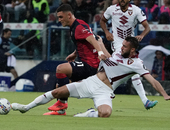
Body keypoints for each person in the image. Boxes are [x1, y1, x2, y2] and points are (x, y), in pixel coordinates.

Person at [11, 36, 170, 117]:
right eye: (122, 45)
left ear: (133, 50)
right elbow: (108, 58)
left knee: (105, 114)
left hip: (105, 91)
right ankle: (26, 108)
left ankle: (90, 113)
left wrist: (164, 94)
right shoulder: (118, 53)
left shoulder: (137, 64)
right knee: (58, 93)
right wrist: (100, 44)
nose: (121, 48)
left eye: (125, 47)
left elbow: (152, 80)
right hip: (91, 82)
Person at [100, 0, 158, 109]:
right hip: (118, 45)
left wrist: (142, 35)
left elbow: (147, 27)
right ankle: (144, 101)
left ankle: (108, 93)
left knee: (132, 71)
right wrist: (107, 32)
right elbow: (102, 21)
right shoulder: (111, 9)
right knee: (131, 70)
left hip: (129, 45)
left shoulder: (136, 10)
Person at [42, 3, 106, 115]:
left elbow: (92, 39)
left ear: (69, 16)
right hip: (87, 64)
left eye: (61, 17)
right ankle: (61, 111)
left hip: (90, 66)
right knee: (60, 86)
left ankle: (62, 103)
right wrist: (75, 54)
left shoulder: (78, 27)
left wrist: (100, 52)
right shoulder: (78, 25)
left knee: (61, 69)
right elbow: (87, 40)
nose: (59, 20)